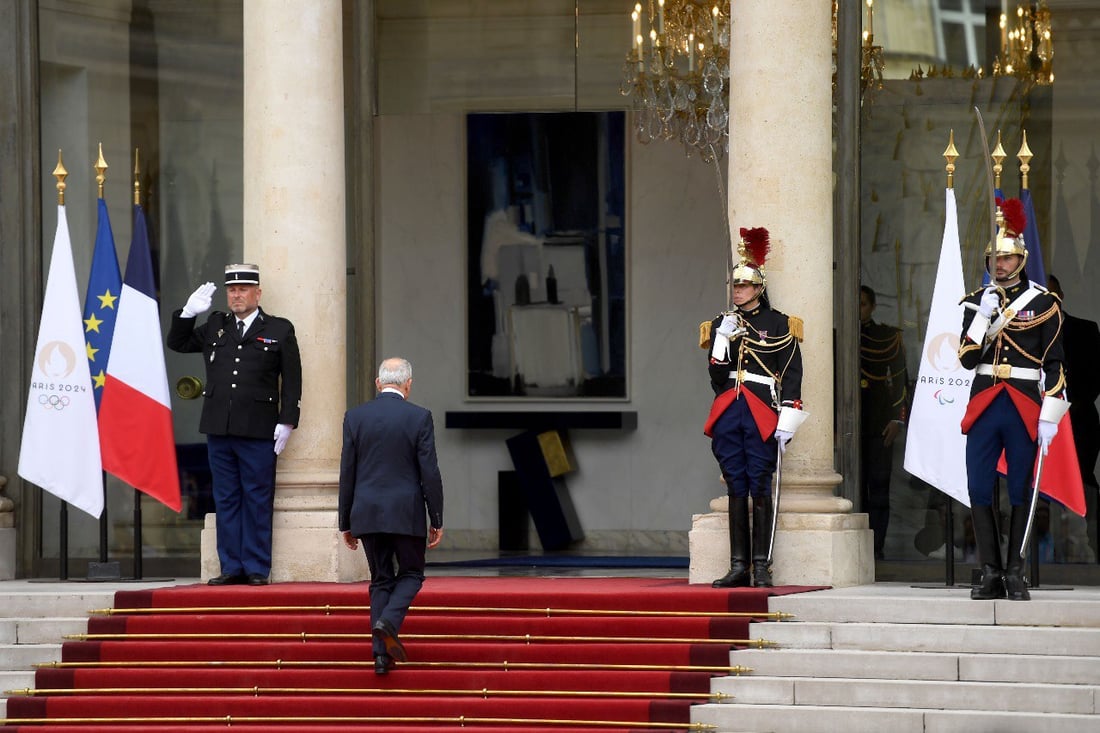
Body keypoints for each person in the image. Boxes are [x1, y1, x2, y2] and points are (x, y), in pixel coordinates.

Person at [958, 199, 1067, 601]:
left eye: (1006, 258)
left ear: (1022, 259)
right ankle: (989, 570)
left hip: (1023, 404)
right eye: (994, 258)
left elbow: (1055, 364)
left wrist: (1051, 414)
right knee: (979, 488)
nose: (999, 265)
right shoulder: (976, 300)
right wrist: (982, 319)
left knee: (1021, 489)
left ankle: (1015, 570)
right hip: (985, 401)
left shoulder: (1043, 304)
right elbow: (968, 359)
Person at [167, 264, 302, 586]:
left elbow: (293, 380)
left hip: (258, 428)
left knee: (256, 497)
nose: (237, 295)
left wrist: (287, 421)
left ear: (257, 293)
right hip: (219, 427)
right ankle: (231, 566)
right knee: (225, 497)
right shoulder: (216, 325)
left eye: (243, 289)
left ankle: (256, 567)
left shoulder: (279, 329)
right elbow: (178, 343)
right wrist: (187, 313)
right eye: (232, 290)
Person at [702, 227, 805, 588]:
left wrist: (789, 417)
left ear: (759, 288)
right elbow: (717, 378)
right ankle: (737, 564)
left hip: (762, 407)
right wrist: (721, 342)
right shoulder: (721, 323)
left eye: (744, 285)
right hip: (730, 408)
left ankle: (761, 565)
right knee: (735, 484)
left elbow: (791, 372)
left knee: (759, 484)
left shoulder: (779, 324)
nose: (738, 290)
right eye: (735, 285)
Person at [338, 358, 444, 675]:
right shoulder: (419, 417)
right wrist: (436, 517)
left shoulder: (355, 417)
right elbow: (430, 473)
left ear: (377, 382)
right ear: (408, 384)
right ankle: (388, 622)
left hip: (367, 512)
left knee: (381, 579)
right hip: (405, 512)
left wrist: (345, 521)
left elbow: (348, 472)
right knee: (411, 574)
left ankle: (381, 655)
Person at [1046, 274, 1100, 562]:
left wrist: (1071, 405)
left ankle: (1089, 551)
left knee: (1081, 482)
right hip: (1038, 423)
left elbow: (1095, 377)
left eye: (1053, 295)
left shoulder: (1085, 330)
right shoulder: (1027, 331)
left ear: (1062, 296)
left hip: (1078, 421)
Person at [859, 286, 908, 560]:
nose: (859, 309)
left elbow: (901, 379)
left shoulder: (887, 336)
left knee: (879, 486)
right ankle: (858, 547)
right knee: (854, 488)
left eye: (863, 304)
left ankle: (877, 547)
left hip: (879, 420)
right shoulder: (838, 337)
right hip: (849, 423)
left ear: (873, 306)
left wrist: (896, 419)